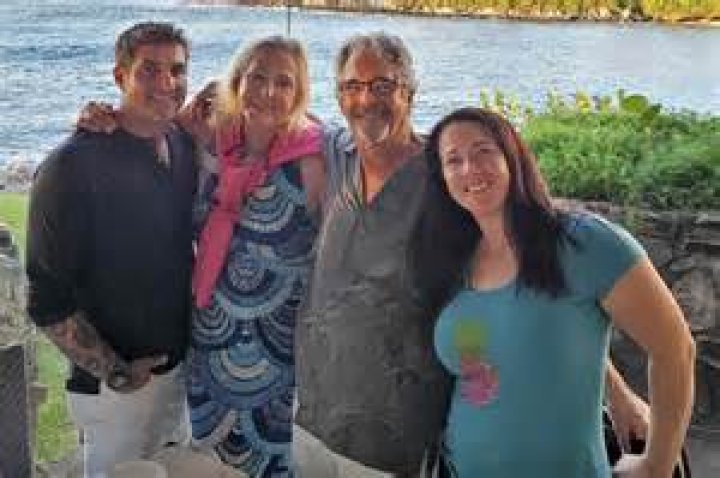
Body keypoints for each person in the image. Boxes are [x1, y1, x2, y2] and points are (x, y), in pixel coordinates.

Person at [294, 33, 651, 476]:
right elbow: (267, 107)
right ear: (338, 96)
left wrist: (616, 392)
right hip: (314, 416)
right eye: (352, 87)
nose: (367, 99)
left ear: (409, 91)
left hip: (397, 435)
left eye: (383, 85)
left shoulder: (448, 179)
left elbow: (534, 278)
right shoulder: (336, 155)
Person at [424, 107, 695, 476]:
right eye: (453, 160)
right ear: (442, 178)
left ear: (512, 157)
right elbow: (520, 343)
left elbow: (676, 349)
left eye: (483, 151)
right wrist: (616, 391)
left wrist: (657, 465)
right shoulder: (454, 259)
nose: (469, 168)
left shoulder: (585, 243)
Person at [26, 22, 196, 477]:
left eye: (178, 70)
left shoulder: (181, 144)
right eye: (149, 70)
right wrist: (117, 372)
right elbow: (45, 300)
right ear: (120, 76)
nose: (167, 82)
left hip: (178, 374)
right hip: (117, 390)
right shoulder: (72, 166)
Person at [185, 37, 324, 477]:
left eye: (284, 82)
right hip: (210, 332)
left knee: (274, 455)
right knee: (211, 455)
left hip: (279, 340)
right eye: (257, 77)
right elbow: (155, 120)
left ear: (299, 92)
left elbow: (332, 245)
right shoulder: (213, 142)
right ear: (236, 82)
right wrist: (97, 116)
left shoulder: (313, 156)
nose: (268, 91)